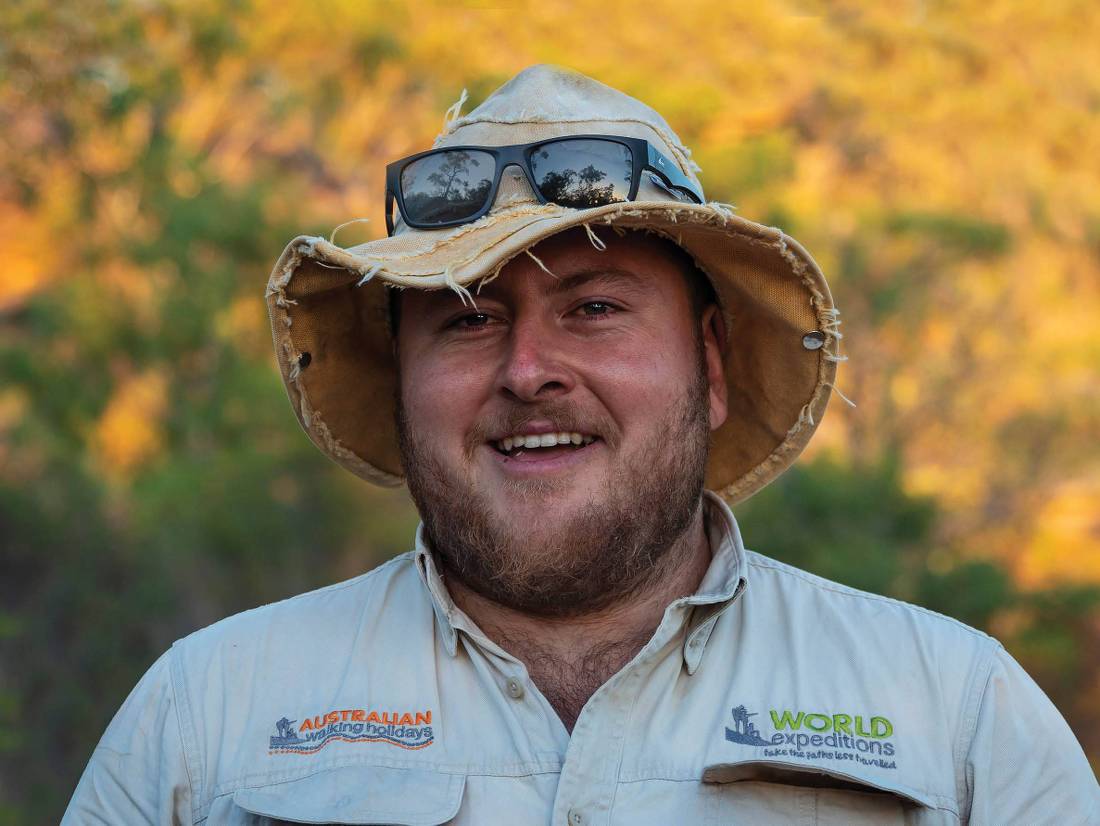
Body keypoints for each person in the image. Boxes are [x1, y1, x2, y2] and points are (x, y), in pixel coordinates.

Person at [64, 64, 1098, 825]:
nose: (526, 370)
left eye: (594, 306)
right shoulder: (207, 713)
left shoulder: (955, 712)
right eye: (465, 317)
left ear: (711, 366)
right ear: (400, 379)